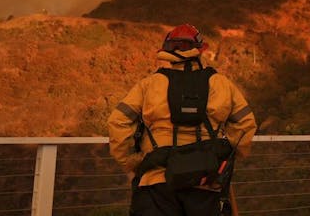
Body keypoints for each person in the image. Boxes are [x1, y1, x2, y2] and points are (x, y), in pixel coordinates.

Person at [108, 24, 257, 216]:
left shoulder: (149, 84)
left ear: (168, 50)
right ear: (200, 49)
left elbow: (117, 121)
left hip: (156, 181)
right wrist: (225, 157)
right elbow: (245, 124)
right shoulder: (221, 84)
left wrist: (130, 162)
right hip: (206, 180)